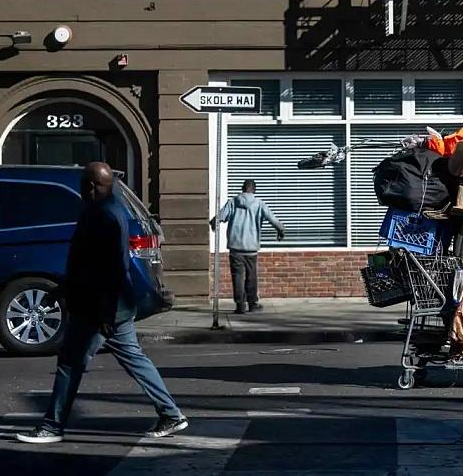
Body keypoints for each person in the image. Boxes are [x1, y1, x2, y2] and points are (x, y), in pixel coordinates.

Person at [17, 162, 188, 444]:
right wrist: (66, 288)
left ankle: (52, 426)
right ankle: (171, 414)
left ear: (92, 186)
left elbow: (112, 268)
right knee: (134, 359)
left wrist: (105, 311)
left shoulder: (103, 216)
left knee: (70, 364)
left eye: (84, 183)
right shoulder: (109, 210)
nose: (81, 188)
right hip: (109, 306)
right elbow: (90, 263)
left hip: (99, 308)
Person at [210, 179, 285, 314]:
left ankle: (240, 305)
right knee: (252, 276)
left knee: (237, 276)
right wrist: (281, 230)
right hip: (251, 248)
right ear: (254, 189)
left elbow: (219, 217)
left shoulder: (233, 202)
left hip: (235, 247)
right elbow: (272, 219)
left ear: (242, 188)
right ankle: (252, 304)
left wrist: (213, 223)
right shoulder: (259, 204)